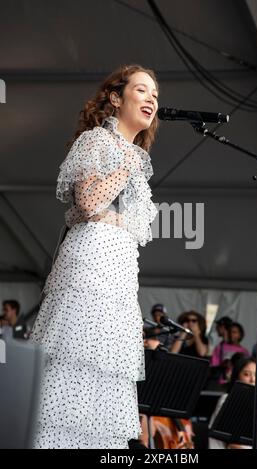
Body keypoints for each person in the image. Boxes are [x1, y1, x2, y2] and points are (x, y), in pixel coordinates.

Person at [29, 64, 159, 449]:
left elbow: (131, 226)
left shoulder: (134, 156)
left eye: (156, 94)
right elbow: (87, 202)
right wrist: (128, 164)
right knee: (74, 365)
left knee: (106, 375)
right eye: (142, 90)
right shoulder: (97, 142)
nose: (152, 99)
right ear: (116, 98)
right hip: (89, 267)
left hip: (119, 274)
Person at [209, 356, 257, 449]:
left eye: (256, 375)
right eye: (247, 374)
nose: (253, 379)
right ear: (237, 377)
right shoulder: (226, 399)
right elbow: (231, 444)